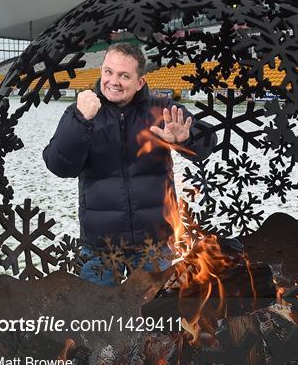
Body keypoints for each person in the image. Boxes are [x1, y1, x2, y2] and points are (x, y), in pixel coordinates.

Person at [43, 43, 216, 286]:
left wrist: (186, 138)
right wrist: (81, 121)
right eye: (108, 72)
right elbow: (59, 166)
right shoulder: (81, 112)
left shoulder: (162, 110)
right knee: (101, 318)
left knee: (157, 318)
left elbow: (207, 143)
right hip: (101, 248)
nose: (114, 81)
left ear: (140, 82)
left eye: (124, 76)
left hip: (154, 246)